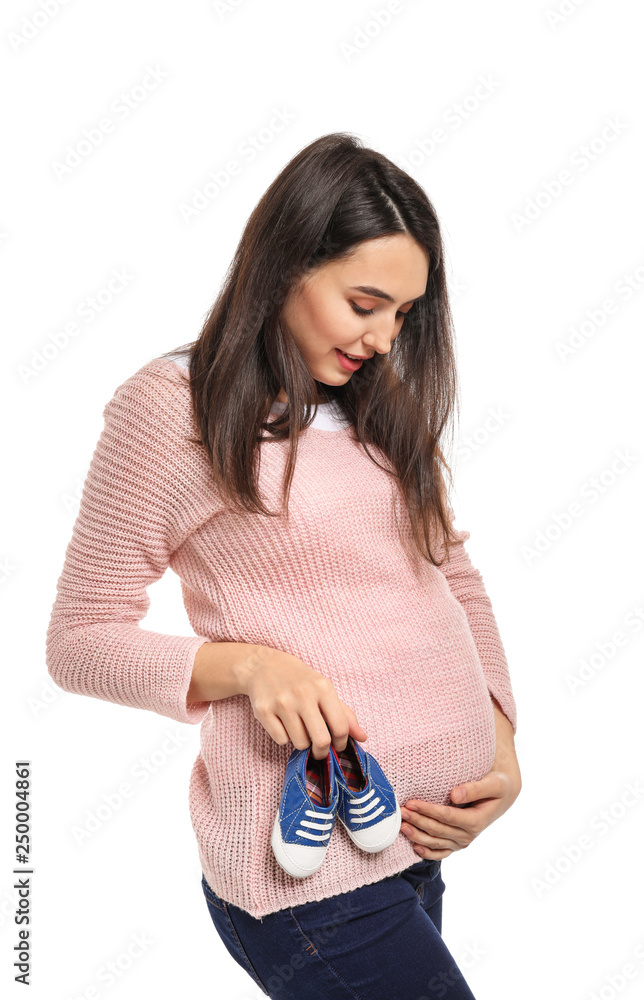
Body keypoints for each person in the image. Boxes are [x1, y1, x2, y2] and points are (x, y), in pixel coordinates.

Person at [45, 131, 521, 999]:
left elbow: (454, 577)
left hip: (414, 840)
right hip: (307, 880)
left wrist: (502, 739)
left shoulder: (378, 407)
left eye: (404, 315)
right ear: (287, 264)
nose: (384, 339)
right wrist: (246, 668)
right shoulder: (170, 411)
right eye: (365, 303)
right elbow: (79, 639)